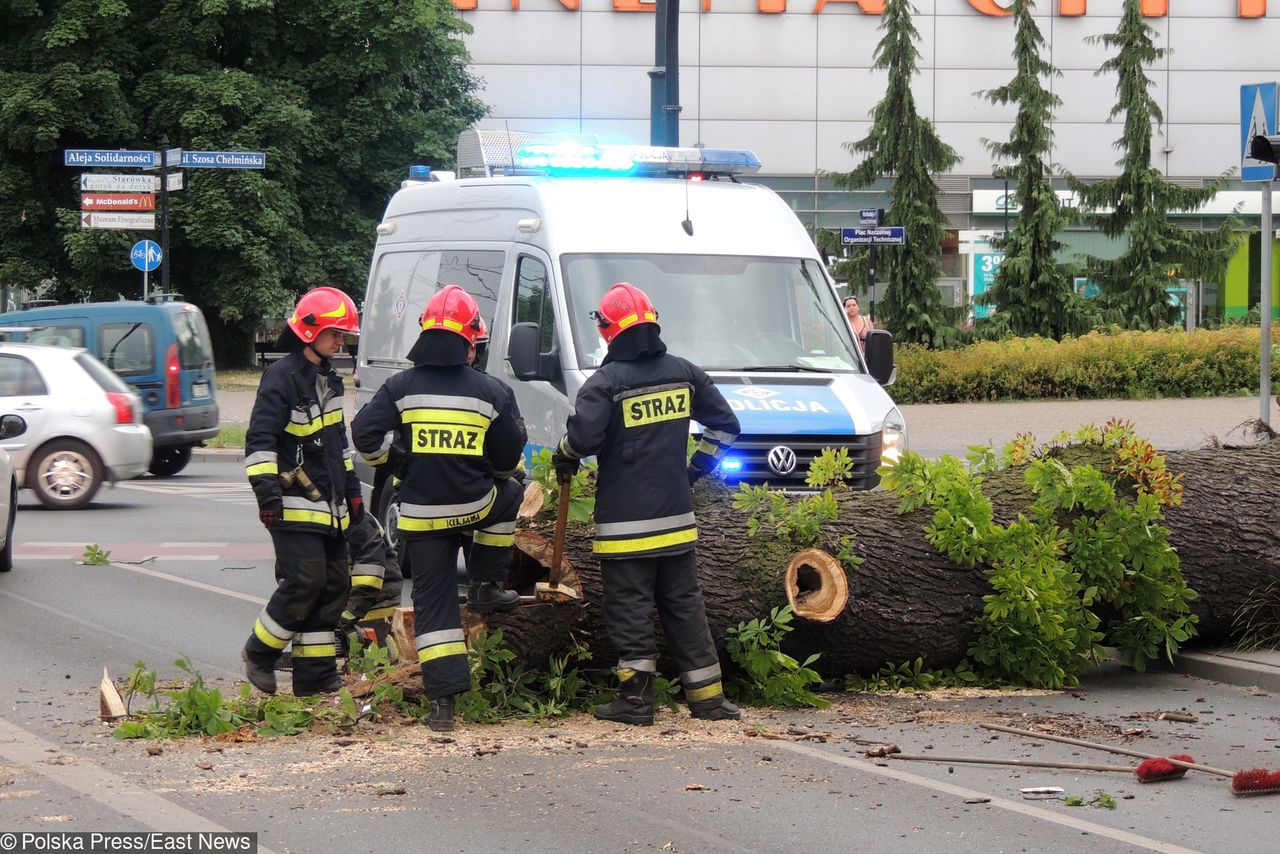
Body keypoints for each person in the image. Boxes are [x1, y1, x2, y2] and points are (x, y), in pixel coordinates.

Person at [552, 282, 742, 726]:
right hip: (677, 518)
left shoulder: (605, 383)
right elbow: (727, 428)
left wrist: (563, 452)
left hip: (624, 525)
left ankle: (635, 702)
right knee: (684, 604)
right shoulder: (685, 373)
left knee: (630, 608)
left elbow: (582, 439)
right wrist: (694, 471)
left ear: (608, 330)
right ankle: (709, 699)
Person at [351, 285, 526, 732]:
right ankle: (487, 581)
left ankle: (442, 708)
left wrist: (395, 464)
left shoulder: (399, 387)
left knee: (433, 606)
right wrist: (490, 471)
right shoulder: (492, 391)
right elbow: (508, 461)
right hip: (475, 507)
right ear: (470, 343)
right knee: (512, 491)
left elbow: (364, 437)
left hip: (421, 517)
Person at [241, 287, 364, 696]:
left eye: (342, 335)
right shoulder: (281, 377)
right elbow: (260, 439)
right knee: (305, 580)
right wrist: (267, 496)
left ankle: (315, 677)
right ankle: (260, 651)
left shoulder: (329, 380)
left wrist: (353, 493)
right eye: (334, 334)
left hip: (329, 507)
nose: (339, 342)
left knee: (333, 585)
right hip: (292, 504)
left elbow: (337, 446)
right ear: (310, 331)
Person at [339, 512, 404, 659]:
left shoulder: (358, 521)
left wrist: (352, 613)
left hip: (376, 597)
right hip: (350, 595)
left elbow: (370, 574)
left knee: (374, 656)